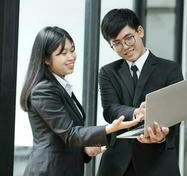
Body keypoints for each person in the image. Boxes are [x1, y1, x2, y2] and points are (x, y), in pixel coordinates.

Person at [20, 26, 141, 176]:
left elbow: (63, 137)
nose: (71, 56)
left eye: (72, 50)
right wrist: (109, 128)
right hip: (49, 170)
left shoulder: (60, 86)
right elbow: (70, 133)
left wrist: (84, 149)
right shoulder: (43, 90)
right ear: (46, 59)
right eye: (63, 53)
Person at [97, 8, 183, 176]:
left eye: (129, 38)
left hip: (158, 160)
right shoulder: (108, 72)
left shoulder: (170, 69)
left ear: (140, 31)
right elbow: (110, 109)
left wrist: (163, 134)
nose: (125, 47)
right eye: (117, 43)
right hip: (118, 164)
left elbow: (176, 114)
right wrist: (136, 112)